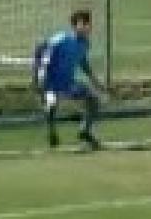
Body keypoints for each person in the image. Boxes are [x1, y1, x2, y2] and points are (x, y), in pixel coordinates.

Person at [34, 10, 105, 150]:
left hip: (68, 83)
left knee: (93, 99)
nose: (88, 27)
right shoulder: (60, 39)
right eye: (84, 24)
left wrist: (95, 81)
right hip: (51, 83)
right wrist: (40, 77)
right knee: (51, 105)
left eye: (88, 24)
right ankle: (51, 133)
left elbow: (83, 63)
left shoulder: (85, 43)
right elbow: (42, 54)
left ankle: (85, 131)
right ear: (75, 25)